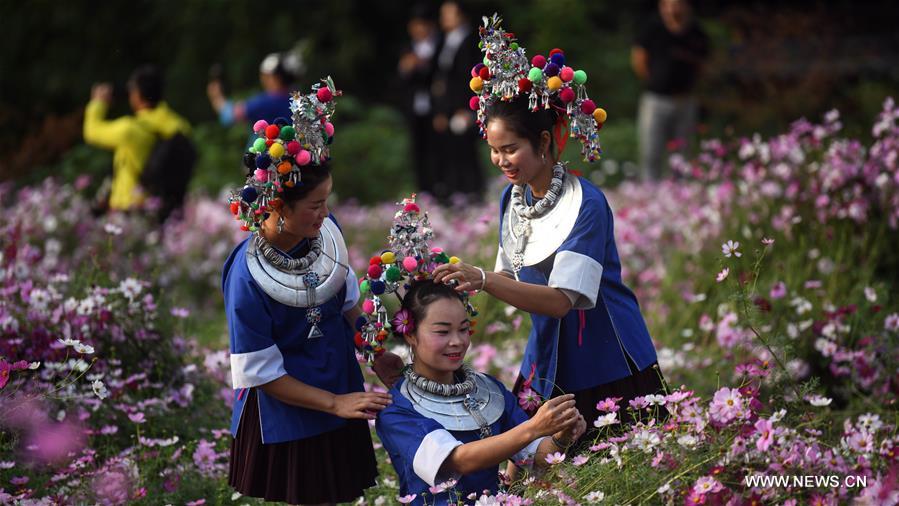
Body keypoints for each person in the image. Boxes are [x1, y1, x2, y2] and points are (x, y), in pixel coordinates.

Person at [432, 18, 668, 450]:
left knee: (622, 461)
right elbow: (514, 281)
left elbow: (561, 301)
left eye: (509, 149)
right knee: (536, 464)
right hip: (546, 352)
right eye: (493, 150)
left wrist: (483, 279)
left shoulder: (588, 205)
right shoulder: (513, 198)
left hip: (605, 355)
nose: (500, 161)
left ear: (543, 142)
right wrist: (462, 289)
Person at [223, 78, 393, 505]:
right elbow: (261, 375)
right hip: (290, 409)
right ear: (277, 208)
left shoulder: (326, 234)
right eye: (315, 206)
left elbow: (347, 301)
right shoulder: (246, 278)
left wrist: (377, 354)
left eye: (327, 202)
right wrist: (334, 404)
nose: (326, 214)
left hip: (339, 387)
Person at [376, 280, 586, 505]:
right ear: (410, 335)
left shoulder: (488, 390)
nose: (457, 341)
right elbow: (459, 460)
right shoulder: (396, 410)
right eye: (443, 331)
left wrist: (561, 436)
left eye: (464, 329)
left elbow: (535, 455)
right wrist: (534, 427)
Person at [83, 65, 191, 214]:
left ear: (137, 94)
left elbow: (91, 132)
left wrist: (98, 102)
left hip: (130, 208)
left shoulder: (130, 130)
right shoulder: (180, 126)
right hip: (164, 210)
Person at [631, 0, 709, 180]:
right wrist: (654, 81)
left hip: (685, 100)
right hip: (655, 99)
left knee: (683, 154)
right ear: (662, 6)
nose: (673, 9)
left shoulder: (696, 33)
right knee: (651, 152)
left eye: (678, 4)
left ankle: (678, 197)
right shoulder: (652, 29)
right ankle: (650, 195)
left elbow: (704, 65)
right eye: (669, 4)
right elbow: (639, 59)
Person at [429, 0, 484, 202]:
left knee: (466, 149)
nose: (444, 19)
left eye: (448, 14)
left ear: (460, 16)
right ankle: (454, 192)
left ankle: (473, 192)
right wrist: (440, 110)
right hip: (446, 106)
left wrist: (466, 107)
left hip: (463, 106)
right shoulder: (443, 41)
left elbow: (471, 78)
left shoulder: (471, 42)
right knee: (449, 150)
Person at [398, 4, 441, 195]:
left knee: (437, 148)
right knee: (418, 149)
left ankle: (440, 187)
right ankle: (423, 188)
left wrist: (424, 64)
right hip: (414, 106)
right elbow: (401, 78)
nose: (419, 29)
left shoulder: (440, 45)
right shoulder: (407, 48)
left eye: (423, 25)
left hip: (435, 106)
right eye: (416, 25)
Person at [207, 51, 303, 127]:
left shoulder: (265, 103)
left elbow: (228, 116)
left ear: (275, 78)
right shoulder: (300, 101)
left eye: (266, 75)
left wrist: (217, 96)